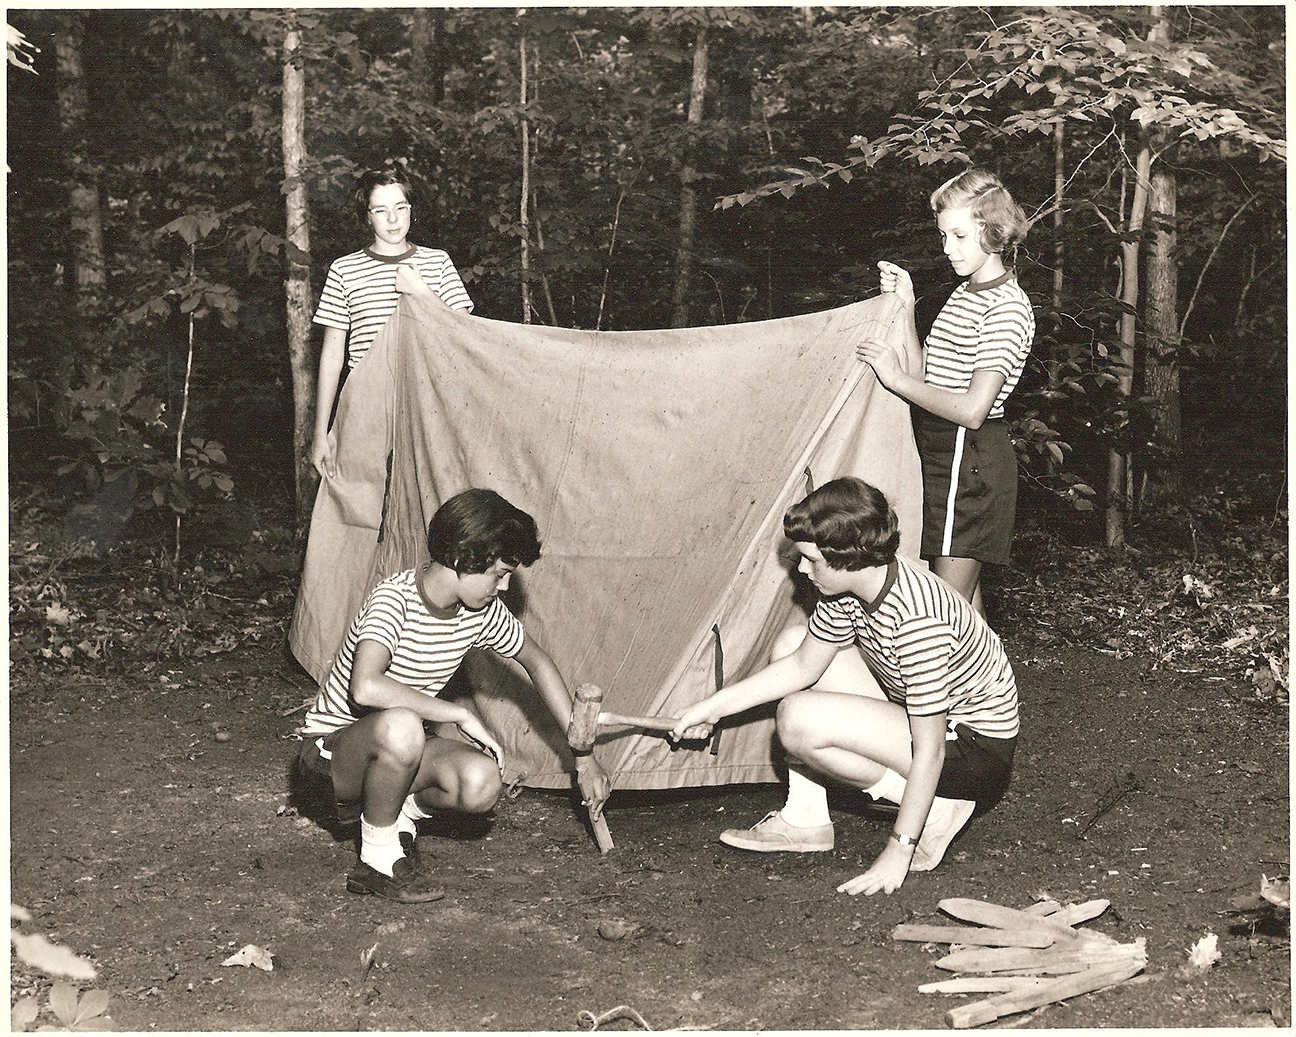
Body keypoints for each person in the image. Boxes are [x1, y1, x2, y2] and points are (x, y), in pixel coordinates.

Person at [670, 478, 1018, 896]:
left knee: (798, 719)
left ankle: (937, 811)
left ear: (848, 558)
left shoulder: (918, 621)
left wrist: (898, 850)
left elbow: (931, 750)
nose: (802, 569)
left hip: (972, 750)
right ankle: (806, 820)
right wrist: (710, 708)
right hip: (922, 717)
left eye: (811, 560)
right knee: (792, 643)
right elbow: (802, 666)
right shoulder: (850, 589)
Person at [299, 488, 612, 903]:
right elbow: (366, 686)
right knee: (403, 725)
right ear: (466, 558)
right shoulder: (395, 599)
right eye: (499, 574)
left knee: (482, 781)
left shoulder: (479, 613)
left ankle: (396, 814)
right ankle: (376, 859)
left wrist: (583, 756)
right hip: (330, 759)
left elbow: (538, 663)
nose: (503, 587)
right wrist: (459, 714)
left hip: (398, 753)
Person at [856, 167, 1034, 616]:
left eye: (959, 236)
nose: (947, 248)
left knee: (941, 616)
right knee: (964, 613)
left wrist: (895, 379)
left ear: (993, 231)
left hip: (970, 462)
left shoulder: (1007, 307)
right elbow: (926, 377)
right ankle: (989, 668)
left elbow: (974, 409)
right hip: (943, 454)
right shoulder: (965, 294)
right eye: (943, 235)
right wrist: (906, 306)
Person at [310, 167, 475, 480]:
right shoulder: (344, 270)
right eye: (380, 210)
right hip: (366, 403)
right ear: (367, 217)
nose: (393, 219)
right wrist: (321, 432)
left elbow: (463, 332)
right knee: (361, 494)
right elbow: (332, 355)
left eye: (401, 207)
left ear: (411, 210)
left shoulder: (437, 262)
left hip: (429, 399)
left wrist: (422, 292)